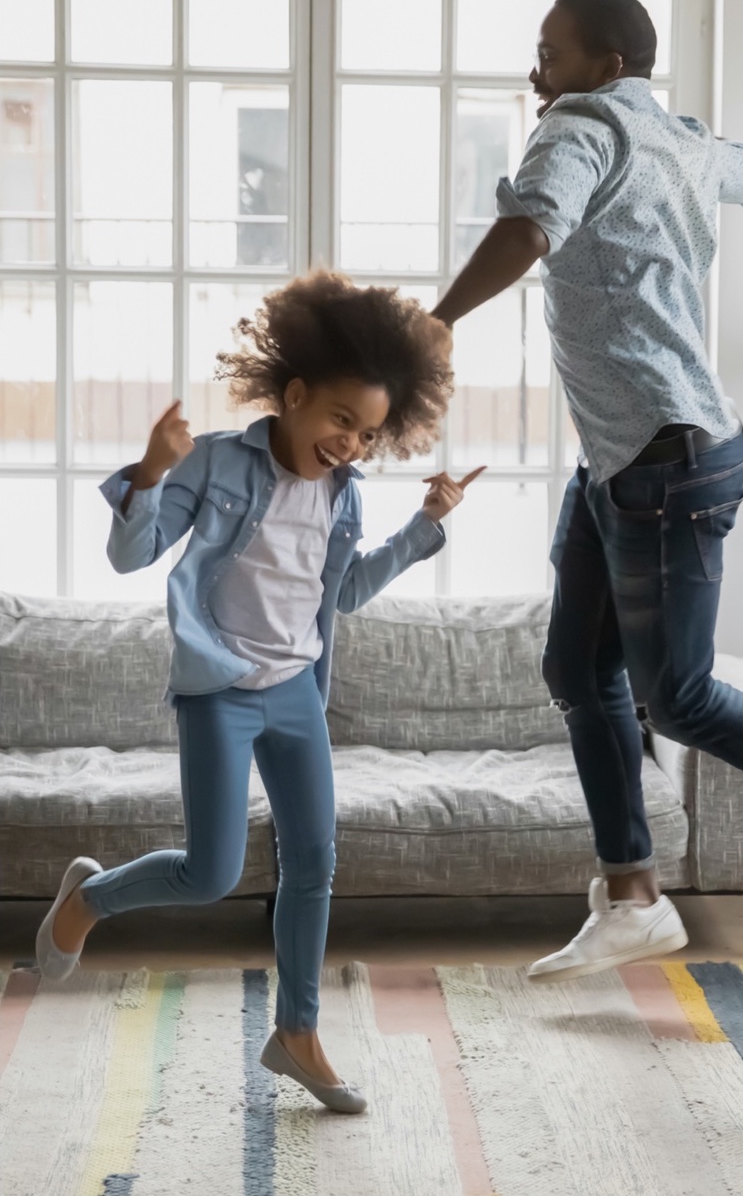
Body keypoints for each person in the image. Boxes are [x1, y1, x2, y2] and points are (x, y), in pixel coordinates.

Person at [36, 272, 480, 1114]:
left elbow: (341, 593)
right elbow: (132, 558)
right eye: (339, 420)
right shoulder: (215, 462)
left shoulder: (343, 497)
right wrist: (153, 475)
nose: (350, 443)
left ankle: (298, 1032)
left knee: (314, 863)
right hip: (220, 691)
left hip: (296, 693)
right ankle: (88, 900)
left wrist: (426, 527)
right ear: (296, 393)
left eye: (367, 433)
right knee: (211, 874)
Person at [430, 0, 743, 983]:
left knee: (670, 696)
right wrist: (715, 152)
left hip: (665, 457)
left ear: (601, 65)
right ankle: (632, 894)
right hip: (630, 456)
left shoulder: (578, 127)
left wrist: (439, 318)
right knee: (575, 671)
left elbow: (530, 224)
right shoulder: (672, 136)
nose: (534, 74)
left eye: (548, 53)